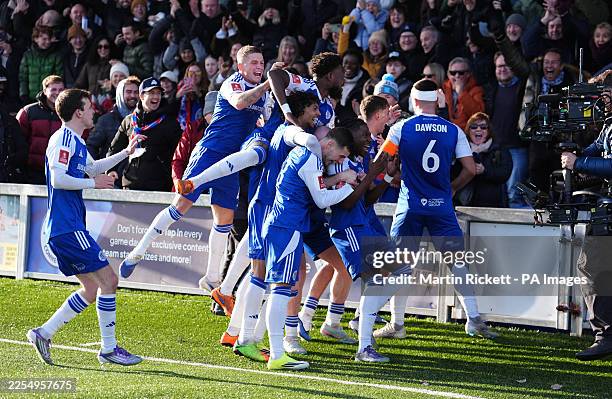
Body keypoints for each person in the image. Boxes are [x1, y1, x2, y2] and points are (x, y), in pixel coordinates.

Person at [119, 46, 273, 290]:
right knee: (180, 206)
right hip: (209, 154)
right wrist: (268, 85)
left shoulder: (264, 94)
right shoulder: (232, 83)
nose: (259, 67)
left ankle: (211, 278)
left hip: (232, 163)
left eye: (262, 63)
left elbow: (263, 120)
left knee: (224, 220)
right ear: (240, 66)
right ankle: (137, 252)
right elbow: (241, 103)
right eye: (253, 62)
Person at [366, 79, 497, 362]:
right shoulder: (453, 130)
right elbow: (471, 169)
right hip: (440, 207)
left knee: (399, 267)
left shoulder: (402, 127)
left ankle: (396, 323)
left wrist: (380, 177)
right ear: (436, 100)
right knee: (457, 263)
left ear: (413, 100)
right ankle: (473, 319)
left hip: (410, 205)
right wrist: (451, 188)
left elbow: (381, 160)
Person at [26, 88, 142, 367]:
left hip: (68, 226)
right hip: (67, 228)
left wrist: (126, 152)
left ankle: (44, 333)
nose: (93, 111)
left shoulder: (76, 141)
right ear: (78, 112)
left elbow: (92, 168)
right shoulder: (63, 139)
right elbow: (58, 179)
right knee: (110, 281)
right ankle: (109, 348)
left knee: (92, 288)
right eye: (89, 107)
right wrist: (95, 183)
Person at [263, 127, 356, 370]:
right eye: (341, 155)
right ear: (329, 145)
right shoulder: (311, 157)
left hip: (289, 224)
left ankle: (277, 349)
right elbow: (321, 199)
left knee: (281, 287)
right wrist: (348, 187)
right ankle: (278, 350)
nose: (340, 161)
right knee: (282, 288)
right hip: (287, 225)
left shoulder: (305, 153)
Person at [560, 72, 612, 361]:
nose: (599, 102)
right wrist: (576, 150)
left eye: (604, 95)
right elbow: (596, 150)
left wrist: (578, 162)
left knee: (590, 266)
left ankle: (605, 333)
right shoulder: (608, 126)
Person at [455, 112, 512, 207]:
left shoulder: (499, 149)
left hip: (494, 206)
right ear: (468, 130)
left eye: (483, 127)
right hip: (464, 206)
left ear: (489, 130)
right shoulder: (460, 149)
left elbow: (504, 173)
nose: (478, 129)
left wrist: (484, 171)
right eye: (473, 127)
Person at [16, 75, 64, 184]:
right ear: (45, 91)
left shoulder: (69, 113)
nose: (57, 93)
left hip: (60, 172)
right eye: (53, 89)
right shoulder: (28, 112)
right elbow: (18, 141)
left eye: (61, 90)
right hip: (33, 172)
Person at [87, 76, 140, 160]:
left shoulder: (143, 119)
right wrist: (96, 170)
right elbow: (91, 146)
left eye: (136, 92)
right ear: (120, 94)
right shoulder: (105, 120)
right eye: (128, 92)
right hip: (111, 171)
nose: (133, 95)